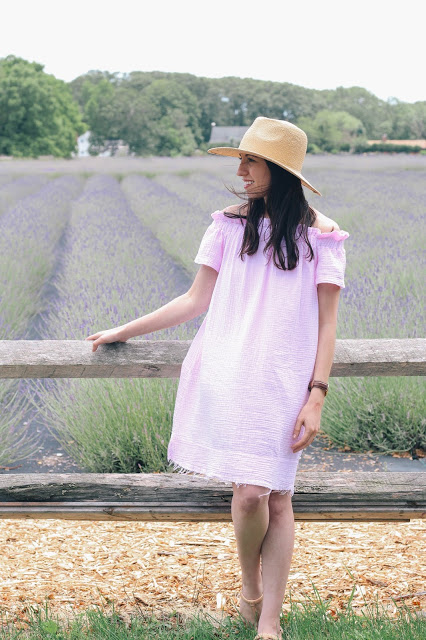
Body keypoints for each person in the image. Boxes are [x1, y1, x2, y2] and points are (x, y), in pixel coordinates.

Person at [86, 117, 349, 640]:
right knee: (249, 495)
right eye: (241, 160)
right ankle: (249, 587)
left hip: (284, 381)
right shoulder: (227, 225)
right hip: (229, 374)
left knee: (273, 496)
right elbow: (194, 300)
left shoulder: (323, 236)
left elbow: (327, 322)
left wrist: (317, 394)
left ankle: (267, 620)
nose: (241, 170)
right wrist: (124, 329)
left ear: (279, 170)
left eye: (251, 161)